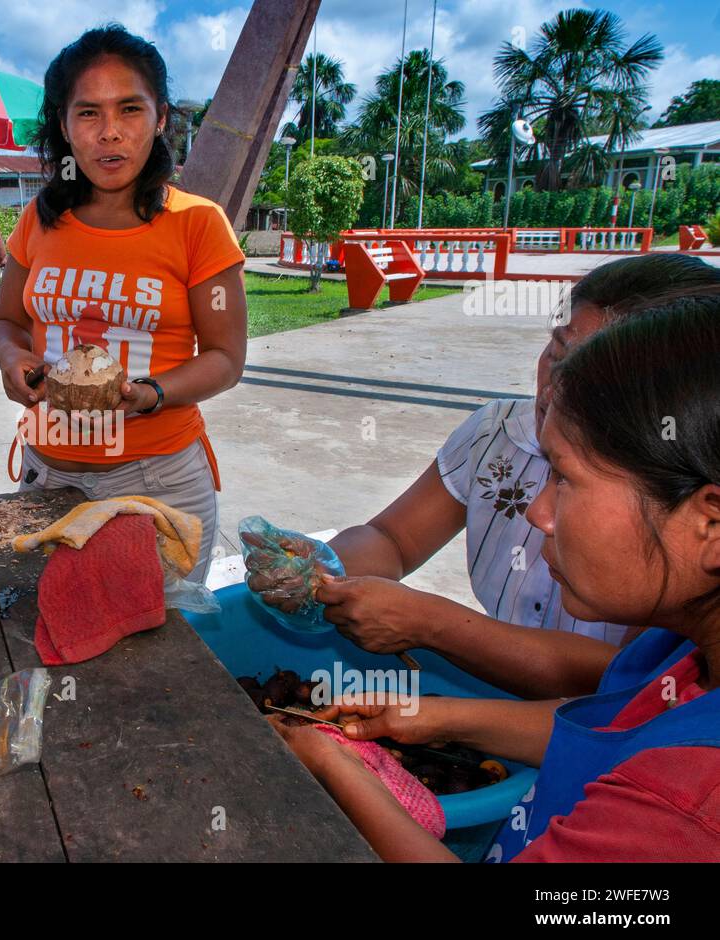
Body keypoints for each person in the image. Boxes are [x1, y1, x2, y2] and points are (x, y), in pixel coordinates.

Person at [275, 285, 720, 862]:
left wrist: (334, 765)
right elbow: (611, 726)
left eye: (565, 479)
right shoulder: (674, 651)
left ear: (708, 524)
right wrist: (432, 717)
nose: (537, 514)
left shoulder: (686, 809)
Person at [315, 254, 720, 698]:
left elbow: (621, 686)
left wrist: (433, 624)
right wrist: (320, 571)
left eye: (588, 372)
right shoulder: (497, 433)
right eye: (557, 354)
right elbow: (393, 538)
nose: (555, 388)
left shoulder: (668, 503)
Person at [0, 25, 247, 583]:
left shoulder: (197, 223)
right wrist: (12, 361)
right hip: (47, 475)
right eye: (88, 113)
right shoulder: (38, 218)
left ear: (159, 120)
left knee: (163, 657)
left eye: (130, 109)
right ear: (63, 125)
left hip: (158, 485)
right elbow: (6, 319)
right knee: (49, 638)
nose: (110, 133)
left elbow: (226, 357)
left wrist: (152, 394)